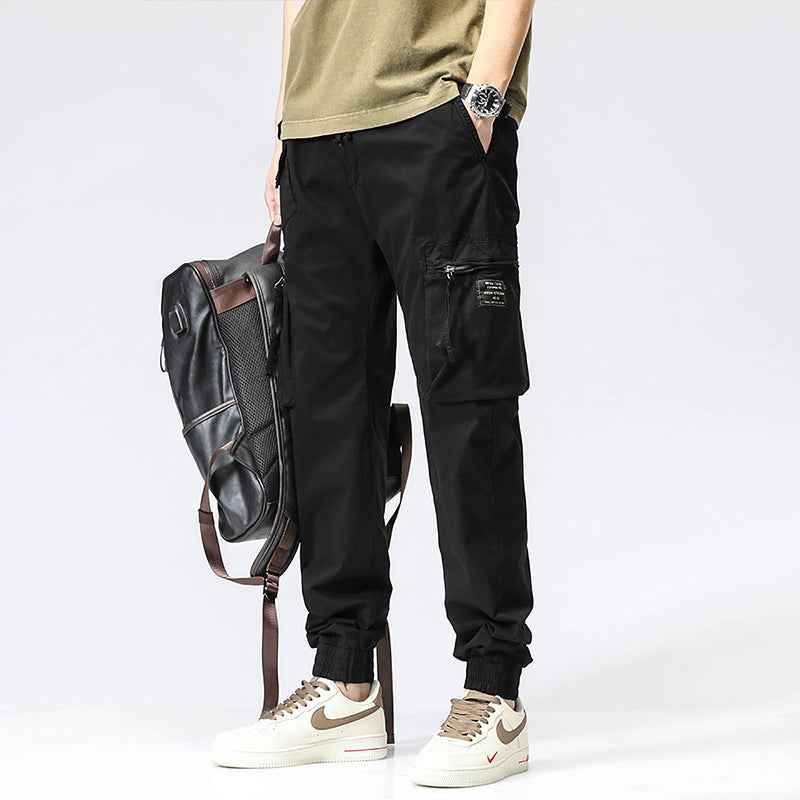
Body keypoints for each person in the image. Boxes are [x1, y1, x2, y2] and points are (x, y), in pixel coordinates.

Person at [213, 0, 535, 787]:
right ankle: (344, 679)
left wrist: (483, 104)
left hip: (435, 118)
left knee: (467, 403)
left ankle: (493, 689)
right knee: (326, 413)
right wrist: (289, 123)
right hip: (318, 135)